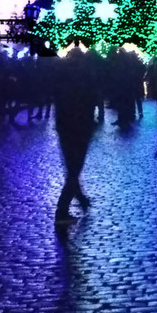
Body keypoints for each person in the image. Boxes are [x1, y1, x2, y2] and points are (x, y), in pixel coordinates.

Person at [53, 45, 99, 225]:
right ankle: (62, 209)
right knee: (75, 167)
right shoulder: (86, 75)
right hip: (81, 124)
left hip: (64, 124)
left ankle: (80, 198)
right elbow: (91, 98)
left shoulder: (61, 74)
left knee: (72, 165)